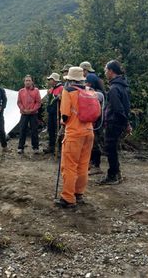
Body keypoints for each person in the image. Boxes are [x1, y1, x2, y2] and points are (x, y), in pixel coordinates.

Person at [56, 67, 94, 208]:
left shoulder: (68, 91)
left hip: (74, 134)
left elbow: (65, 115)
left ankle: (68, 198)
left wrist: (62, 125)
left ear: (70, 80)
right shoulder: (89, 91)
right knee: (83, 165)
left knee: (69, 166)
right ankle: (79, 194)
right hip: (89, 132)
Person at [98, 60, 131, 185]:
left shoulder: (114, 88)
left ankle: (113, 176)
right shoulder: (123, 86)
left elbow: (118, 108)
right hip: (118, 122)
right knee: (112, 148)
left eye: (106, 70)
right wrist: (127, 123)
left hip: (113, 122)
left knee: (110, 149)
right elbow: (126, 107)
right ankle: (116, 173)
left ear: (111, 71)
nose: (105, 73)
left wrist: (124, 122)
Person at [17, 75, 42, 154]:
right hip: (24, 113)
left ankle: (35, 147)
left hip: (33, 113)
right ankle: (20, 147)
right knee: (22, 130)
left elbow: (38, 102)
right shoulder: (21, 91)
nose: (27, 82)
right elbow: (19, 102)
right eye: (26, 80)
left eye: (29, 80)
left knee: (34, 130)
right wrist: (23, 109)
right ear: (24, 82)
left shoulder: (36, 90)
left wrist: (32, 110)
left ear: (32, 82)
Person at [86, 73, 105, 175]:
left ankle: (96, 165)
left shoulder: (98, 94)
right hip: (92, 122)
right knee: (91, 143)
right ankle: (91, 163)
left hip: (97, 122)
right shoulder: (95, 92)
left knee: (95, 143)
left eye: (87, 82)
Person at [44, 72, 63, 154]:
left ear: (54, 80)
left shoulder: (61, 88)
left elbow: (62, 99)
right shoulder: (51, 89)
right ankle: (51, 146)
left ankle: (60, 148)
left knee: (58, 130)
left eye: (50, 79)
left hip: (57, 113)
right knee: (50, 129)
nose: (49, 81)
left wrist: (60, 97)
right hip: (51, 112)